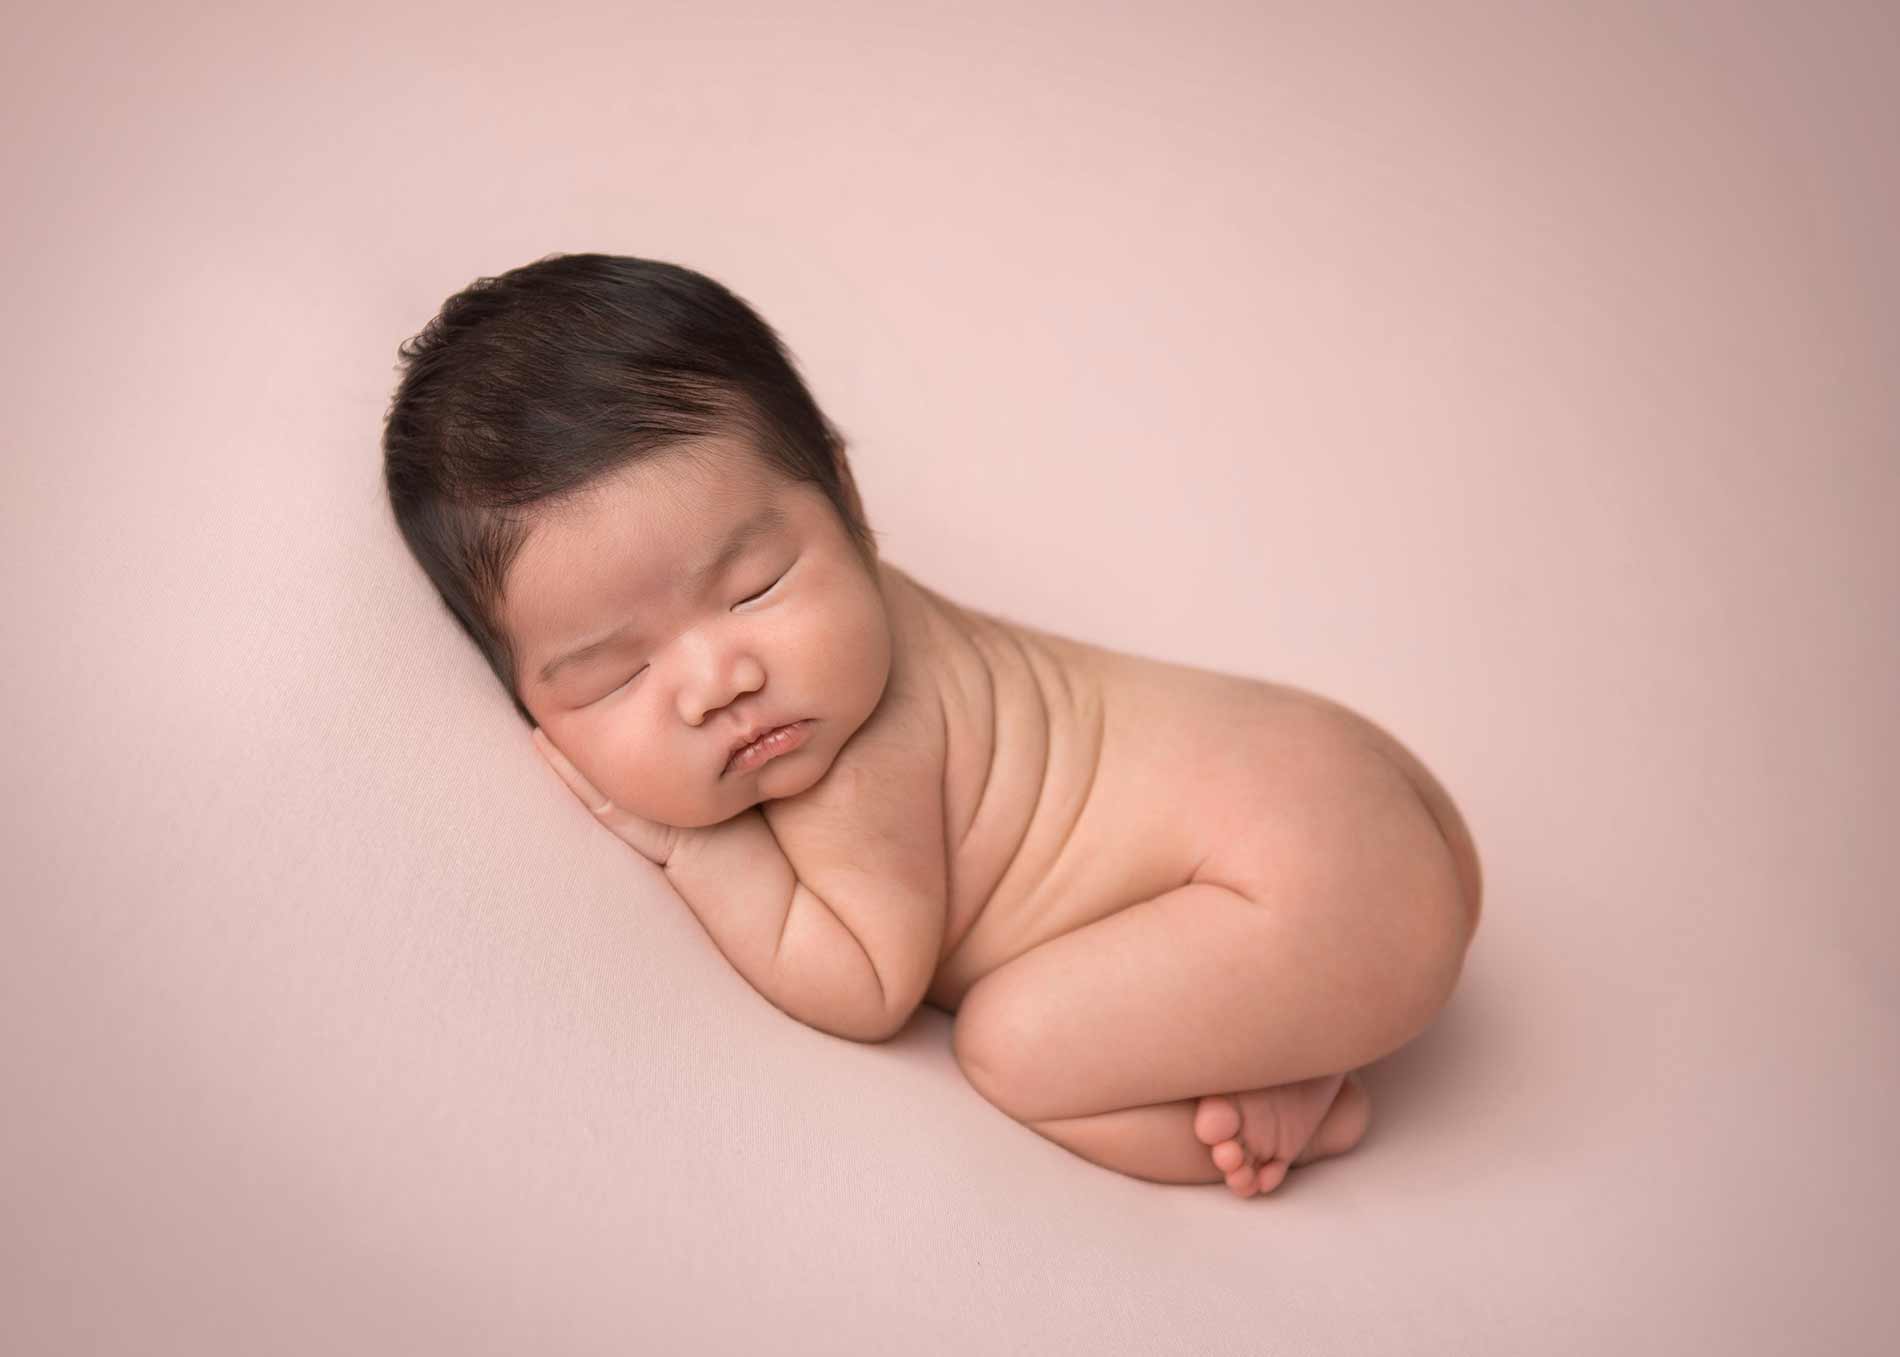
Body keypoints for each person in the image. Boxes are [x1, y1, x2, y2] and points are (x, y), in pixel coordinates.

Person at [382, 253, 1483, 1198]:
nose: (720, 679)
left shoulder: (857, 761)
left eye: (755, 586)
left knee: (1015, 1047)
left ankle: (1294, 1102)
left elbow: (866, 983)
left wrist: (689, 846)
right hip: (1334, 783)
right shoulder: (850, 618)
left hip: (1308, 886)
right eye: (615, 675)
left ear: (849, 508)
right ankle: (1284, 1021)